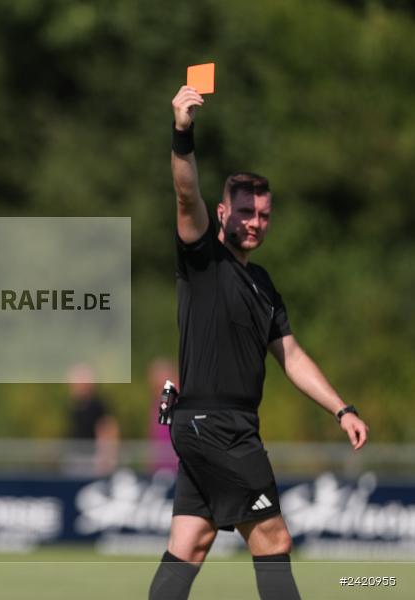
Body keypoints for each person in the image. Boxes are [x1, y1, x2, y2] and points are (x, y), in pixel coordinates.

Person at [148, 87, 370, 600]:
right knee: (274, 537)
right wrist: (183, 130)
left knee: (191, 542)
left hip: (220, 427)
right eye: (244, 211)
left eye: (263, 215)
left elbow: (291, 355)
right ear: (223, 213)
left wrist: (342, 409)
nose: (254, 222)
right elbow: (185, 194)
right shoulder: (203, 259)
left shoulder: (263, 284)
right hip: (217, 426)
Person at [66, 363, 120, 476]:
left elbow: (107, 430)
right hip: (76, 457)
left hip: (91, 460)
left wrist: (105, 458)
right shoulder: (74, 405)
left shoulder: (98, 406)